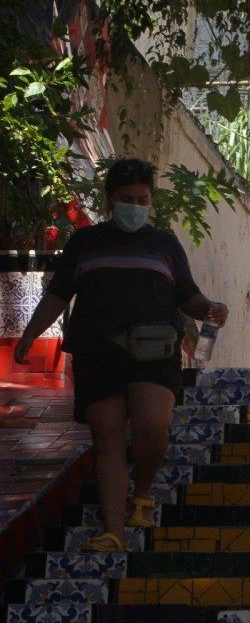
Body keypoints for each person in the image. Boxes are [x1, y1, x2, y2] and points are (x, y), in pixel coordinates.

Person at [13, 159, 228, 553]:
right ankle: (112, 531)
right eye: (127, 199)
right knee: (108, 441)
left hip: (155, 351)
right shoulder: (85, 243)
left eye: (142, 199)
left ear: (151, 200)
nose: (135, 205)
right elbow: (59, 294)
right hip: (98, 353)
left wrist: (211, 308)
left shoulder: (164, 243)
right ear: (111, 200)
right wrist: (30, 335)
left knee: (151, 426)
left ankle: (142, 493)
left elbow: (188, 296)